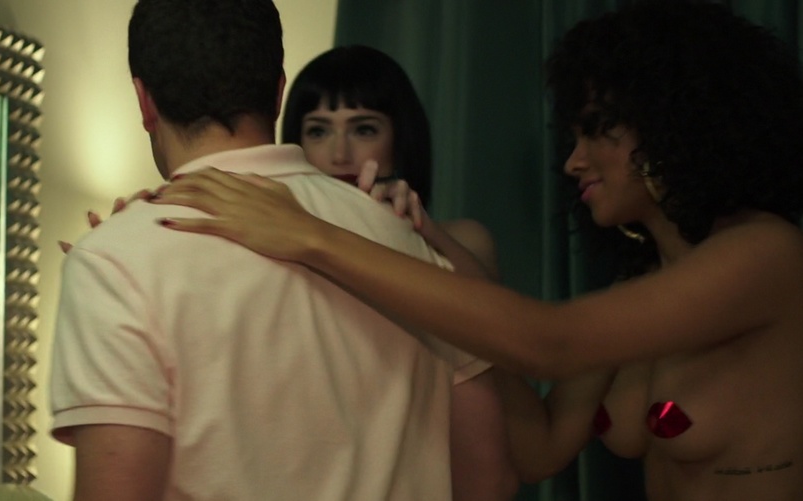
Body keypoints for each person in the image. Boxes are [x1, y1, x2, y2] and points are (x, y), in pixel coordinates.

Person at [149, 1, 803, 500]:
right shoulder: (643, 292)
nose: (573, 160)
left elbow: (550, 343)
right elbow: (538, 448)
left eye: (595, 129)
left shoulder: (767, 257)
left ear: (671, 122)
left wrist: (312, 234)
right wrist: (427, 241)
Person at [48, 0, 517, 500]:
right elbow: (488, 479)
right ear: (277, 92)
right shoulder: (401, 236)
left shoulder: (117, 261)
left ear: (144, 101)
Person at [281, 44, 498, 280]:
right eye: (318, 132)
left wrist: (421, 228)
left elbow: (491, 303)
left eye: (364, 130)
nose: (340, 155)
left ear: (401, 138)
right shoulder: (280, 235)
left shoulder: (465, 239)